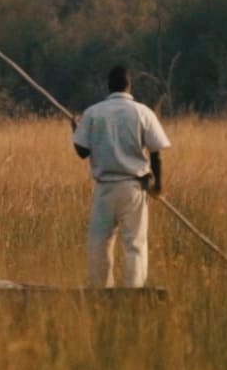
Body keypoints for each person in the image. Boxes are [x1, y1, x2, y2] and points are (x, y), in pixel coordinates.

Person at [72, 65, 172, 288]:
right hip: (134, 187)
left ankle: (100, 291)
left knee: (99, 243)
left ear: (108, 86)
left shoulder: (93, 113)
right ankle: (133, 292)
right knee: (134, 244)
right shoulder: (142, 112)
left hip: (104, 189)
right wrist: (158, 186)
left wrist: (75, 130)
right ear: (129, 85)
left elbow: (82, 152)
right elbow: (156, 153)